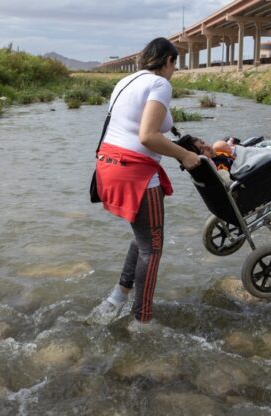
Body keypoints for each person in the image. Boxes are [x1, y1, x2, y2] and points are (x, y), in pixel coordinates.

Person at [93, 37, 200, 328]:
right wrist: (185, 157)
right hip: (135, 173)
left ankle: (115, 299)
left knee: (142, 239)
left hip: (108, 166)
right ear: (167, 60)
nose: (174, 71)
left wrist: (185, 144)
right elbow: (148, 137)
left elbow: (138, 126)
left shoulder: (126, 82)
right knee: (152, 247)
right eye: (175, 64)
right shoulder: (160, 84)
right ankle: (142, 320)